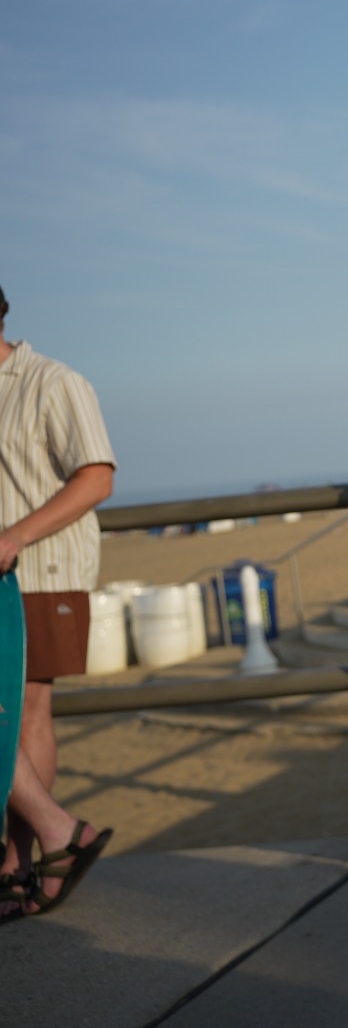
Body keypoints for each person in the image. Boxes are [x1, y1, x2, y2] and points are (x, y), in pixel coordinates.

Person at [0, 286, 117, 920]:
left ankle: (24, 860)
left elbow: (96, 477)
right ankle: (46, 843)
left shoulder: (54, 382)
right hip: (3, 575)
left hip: (40, 572)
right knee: (12, 717)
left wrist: (15, 536)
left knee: (25, 715)